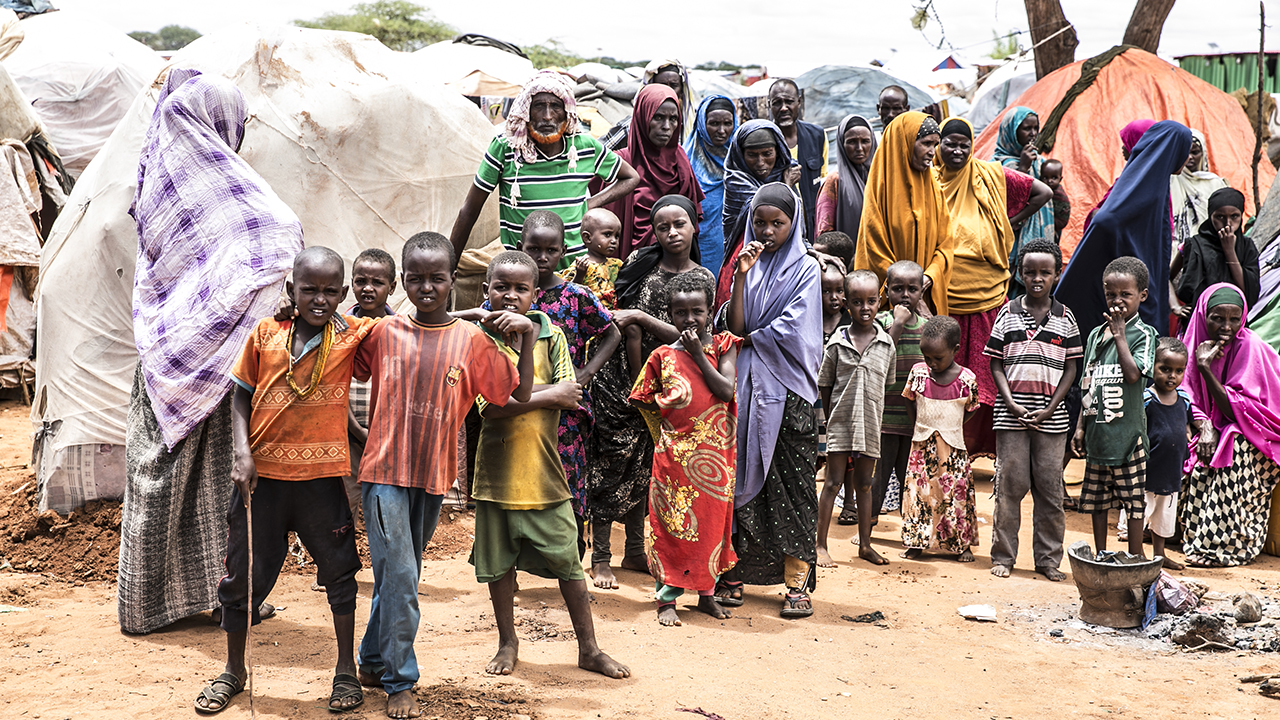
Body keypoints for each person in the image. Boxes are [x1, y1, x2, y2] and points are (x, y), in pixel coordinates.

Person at [120, 69, 302, 636]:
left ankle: (168, 604)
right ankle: (215, 599)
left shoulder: (160, 183)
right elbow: (277, 242)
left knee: (168, 479)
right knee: (220, 486)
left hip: (167, 357)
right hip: (225, 366)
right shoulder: (241, 198)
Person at [354, 235, 536, 719]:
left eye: (437, 278)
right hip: (384, 472)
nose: (427, 287)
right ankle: (400, 681)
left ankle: (371, 660)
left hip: (434, 476)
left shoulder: (471, 341)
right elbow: (341, 358)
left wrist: (528, 336)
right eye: (416, 278)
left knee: (399, 574)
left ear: (453, 280)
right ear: (403, 281)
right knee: (402, 578)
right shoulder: (383, 332)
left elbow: (516, 395)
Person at [195, 247, 378, 714]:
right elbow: (240, 395)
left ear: (343, 292)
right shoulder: (266, 332)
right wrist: (242, 453)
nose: (320, 299)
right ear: (291, 289)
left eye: (330, 291)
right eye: (309, 289)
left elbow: (408, 321)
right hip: (262, 482)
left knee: (340, 574)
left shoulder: (351, 334)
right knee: (242, 576)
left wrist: (479, 313)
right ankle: (233, 670)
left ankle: (345, 670)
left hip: (322, 482)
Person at [469, 251, 629, 681]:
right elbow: (491, 406)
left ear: (534, 294)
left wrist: (535, 393)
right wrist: (548, 394)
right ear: (486, 291)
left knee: (568, 562)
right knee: (499, 566)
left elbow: (569, 393)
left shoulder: (551, 334)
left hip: (545, 472)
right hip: (497, 476)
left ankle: (589, 649)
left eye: (521, 289)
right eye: (501, 287)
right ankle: (507, 641)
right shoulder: (480, 340)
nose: (510, 295)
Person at [586, 195, 713, 590]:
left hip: (668, 388)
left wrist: (642, 317)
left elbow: (697, 338)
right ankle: (600, 557)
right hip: (620, 382)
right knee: (610, 465)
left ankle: (635, 551)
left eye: (680, 224)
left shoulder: (703, 279)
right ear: (654, 232)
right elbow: (613, 317)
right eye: (663, 227)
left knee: (647, 468)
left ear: (694, 226)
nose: (672, 233)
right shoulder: (639, 265)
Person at [721, 183, 823, 618]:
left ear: (792, 223)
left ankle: (797, 584)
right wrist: (742, 277)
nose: (766, 231)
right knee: (739, 478)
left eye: (776, 223)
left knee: (793, 486)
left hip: (789, 393)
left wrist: (751, 338)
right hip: (745, 390)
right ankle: (733, 574)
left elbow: (797, 330)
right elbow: (735, 326)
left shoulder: (807, 269)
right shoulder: (747, 264)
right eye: (759, 223)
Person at [935, 117, 1051, 455]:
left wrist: (1007, 221)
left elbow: (1042, 192)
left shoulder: (991, 175)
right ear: (939, 145)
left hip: (987, 293)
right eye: (950, 144)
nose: (958, 151)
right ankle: (945, 450)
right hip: (945, 294)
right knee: (943, 374)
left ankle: (982, 450)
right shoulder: (929, 179)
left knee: (987, 373)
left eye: (964, 144)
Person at [629, 272, 739, 626]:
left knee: (709, 527)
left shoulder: (723, 346)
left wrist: (698, 355)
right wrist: (665, 438)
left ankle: (707, 594)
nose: (690, 319)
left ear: (709, 310)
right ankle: (667, 599)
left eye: (697, 311)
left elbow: (725, 390)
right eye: (680, 313)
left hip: (715, 460)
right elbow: (642, 399)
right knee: (671, 528)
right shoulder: (661, 356)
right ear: (670, 314)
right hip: (673, 460)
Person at [450, 70, 639, 267]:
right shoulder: (507, 147)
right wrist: (450, 267)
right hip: (522, 271)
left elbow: (630, 177)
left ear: (566, 111)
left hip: (575, 270)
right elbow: (470, 210)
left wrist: (589, 204)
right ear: (526, 111)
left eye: (555, 106)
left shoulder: (584, 147)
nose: (547, 116)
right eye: (539, 106)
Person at [515, 212, 622, 555]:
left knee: (567, 477)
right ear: (520, 247)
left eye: (551, 250)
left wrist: (586, 373)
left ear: (563, 251)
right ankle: (524, 553)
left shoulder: (576, 296)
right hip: (520, 404)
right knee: (523, 475)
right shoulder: (511, 294)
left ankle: (570, 554)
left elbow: (611, 333)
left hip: (566, 409)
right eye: (534, 249)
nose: (542, 257)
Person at [985, 239, 1082, 582]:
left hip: (1052, 420)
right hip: (1010, 416)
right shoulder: (1007, 313)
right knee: (1009, 487)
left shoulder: (1066, 318)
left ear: (1057, 274)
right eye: (1030, 272)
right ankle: (1003, 556)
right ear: (1020, 273)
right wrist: (1010, 401)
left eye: (1045, 272)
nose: (1037, 278)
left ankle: (1048, 560)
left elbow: (1071, 368)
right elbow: (995, 363)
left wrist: (1052, 406)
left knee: (1050, 491)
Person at [1058, 121, 1192, 337]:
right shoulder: (1147, 186)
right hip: (1131, 285)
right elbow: (1106, 221)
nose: (1187, 158)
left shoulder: (1156, 184)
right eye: (1186, 150)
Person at [1180, 283, 1280, 567]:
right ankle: (1179, 532)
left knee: (1232, 448)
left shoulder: (1249, 347)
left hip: (1260, 435)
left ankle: (1229, 544)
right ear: (1203, 316)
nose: (1227, 327)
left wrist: (1205, 369)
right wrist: (1204, 425)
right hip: (1214, 427)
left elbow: (1241, 411)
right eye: (1217, 318)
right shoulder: (1191, 343)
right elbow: (1184, 394)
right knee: (1172, 438)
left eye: (1235, 319)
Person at [1072, 257, 1158, 558]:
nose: (1117, 301)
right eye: (1111, 294)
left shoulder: (1144, 334)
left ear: (1142, 295)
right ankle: (1101, 555)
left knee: (1132, 503)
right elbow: (1088, 384)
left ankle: (1134, 559)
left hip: (1128, 437)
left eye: (1125, 294)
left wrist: (1120, 335)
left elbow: (1134, 375)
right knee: (1098, 502)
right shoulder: (1096, 335)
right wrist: (1080, 427)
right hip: (1099, 434)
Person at [817, 269, 896, 567]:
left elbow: (885, 386)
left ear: (880, 301)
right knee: (833, 483)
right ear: (846, 303)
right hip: (840, 423)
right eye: (857, 301)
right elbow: (825, 384)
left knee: (865, 483)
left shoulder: (886, 344)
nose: (865, 308)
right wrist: (831, 418)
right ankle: (820, 545)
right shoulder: (837, 343)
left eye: (871, 301)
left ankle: (865, 545)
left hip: (871, 424)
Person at [855, 111, 953, 316]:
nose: (932, 152)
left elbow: (945, 244)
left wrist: (929, 276)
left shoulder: (934, 190)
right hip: (889, 304)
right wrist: (906, 289)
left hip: (926, 294)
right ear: (904, 143)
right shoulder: (880, 191)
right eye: (926, 144)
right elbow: (874, 249)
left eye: (935, 145)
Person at [900, 316, 981, 562]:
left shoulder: (966, 380)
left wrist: (951, 427)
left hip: (953, 451)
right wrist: (918, 425)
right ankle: (916, 542)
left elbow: (971, 409)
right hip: (921, 448)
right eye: (926, 357)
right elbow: (909, 399)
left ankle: (961, 545)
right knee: (918, 494)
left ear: (955, 350)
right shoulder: (918, 374)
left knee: (956, 497)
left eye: (938, 358)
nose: (931, 363)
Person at [602, 83, 704, 259]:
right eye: (658, 117)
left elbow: (692, 217)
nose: (666, 126)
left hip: (676, 261)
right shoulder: (621, 163)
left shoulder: (680, 159)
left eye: (673, 119)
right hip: (631, 261)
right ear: (643, 117)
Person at [716, 120, 800, 305]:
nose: (761, 162)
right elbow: (772, 206)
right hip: (745, 263)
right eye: (752, 155)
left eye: (767, 154)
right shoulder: (737, 181)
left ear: (778, 151)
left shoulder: (785, 171)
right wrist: (786, 187)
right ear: (740, 155)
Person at [872, 260, 927, 524]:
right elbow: (880, 356)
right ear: (886, 291)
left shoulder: (927, 328)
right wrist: (897, 324)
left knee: (910, 477)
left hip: (913, 420)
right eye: (897, 289)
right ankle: (867, 527)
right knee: (878, 477)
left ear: (922, 292)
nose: (905, 295)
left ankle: (911, 529)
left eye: (912, 289)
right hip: (883, 418)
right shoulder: (879, 322)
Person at [344, 248, 397, 513]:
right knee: (345, 506)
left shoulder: (401, 330)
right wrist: (358, 431)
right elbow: (334, 387)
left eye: (377, 282)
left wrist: (379, 434)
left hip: (387, 439)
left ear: (392, 287)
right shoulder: (339, 328)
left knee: (385, 508)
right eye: (361, 281)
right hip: (347, 435)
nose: (368, 288)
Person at [1144, 337, 1192, 572]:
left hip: (1171, 470)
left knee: (1164, 517)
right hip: (1147, 470)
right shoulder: (1146, 399)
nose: (1172, 376)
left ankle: (1159, 554)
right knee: (1140, 513)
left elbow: (1186, 425)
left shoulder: (1184, 399)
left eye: (1178, 371)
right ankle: (1137, 555)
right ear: (1151, 366)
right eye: (1165, 369)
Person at [1175, 187, 1260, 313]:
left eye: (1234, 216)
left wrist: (1229, 251)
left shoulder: (1247, 247)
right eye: (1220, 217)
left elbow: (1248, 292)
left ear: (1241, 216)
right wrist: (1175, 307)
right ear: (1210, 217)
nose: (1227, 223)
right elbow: (1166, 277)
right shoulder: (1194, 244)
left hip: (1233, 320)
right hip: (1198, 318)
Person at [684, 95, 738, 272]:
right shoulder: (685, 160)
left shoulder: (741, 159)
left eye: (727, 123)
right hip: (696, 245)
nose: (721, 130)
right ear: (702, 123)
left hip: (735, 246)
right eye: (714, 123)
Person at [768, 78, 827, 237]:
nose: (783, 108)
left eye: (789, 101)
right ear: (769, 105)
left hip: (811, 227)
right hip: (777, 230)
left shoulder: (817, 136)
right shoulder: (763, 140)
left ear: (799, 102)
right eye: (777, 103)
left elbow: (822, 184)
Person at [992, 107, 1057, 251]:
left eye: (1036, 128)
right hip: (1010, 237)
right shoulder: (996, 165)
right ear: (1012, 131)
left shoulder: (1040, 162)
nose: (1033, 134)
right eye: (1027, 128)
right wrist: (1022, 168)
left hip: (1039, 233)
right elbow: (1004, 203)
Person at [815, 115, 878, 253]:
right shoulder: (834, 182)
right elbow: (824, 233)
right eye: (852, 142)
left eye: (865, 141)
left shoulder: (881, 179)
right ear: (841, 144)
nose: (859, 148)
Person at [1083, 119, 1156, 234]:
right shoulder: (1147, 177)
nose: (1123, 148)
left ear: (1138, 144)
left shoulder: (1135, 182)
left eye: (1127, 142)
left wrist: (1097, 216)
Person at [602, 59, 691, 151]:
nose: (667, 126)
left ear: (681, 91)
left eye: (673, 85)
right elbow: (598, 152)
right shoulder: (629, 128)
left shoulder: (688, 127)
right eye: (658, 118)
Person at [1170, 129, 1229, 250]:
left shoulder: (1214, 184)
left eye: (1195, 152)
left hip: (1207, 247)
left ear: (1203, 154)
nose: (1189, 157)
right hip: (1175, 248)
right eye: (1185, 152)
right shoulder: (1171, 180)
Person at [571, 208, 623, 309]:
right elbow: (568, 295)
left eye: (616, 236)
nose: (613, 240)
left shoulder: (617, 264)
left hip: (616, 314)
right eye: (607, 235)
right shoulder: (582, 265)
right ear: (587, 238)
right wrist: (579, 275)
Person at [1040, 159, 1071, 239]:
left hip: (1057, 223)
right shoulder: (1044, 189)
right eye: (1045, 177)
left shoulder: (1058, 194)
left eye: (1054, 178)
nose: (1049, 181)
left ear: (1060, 179)